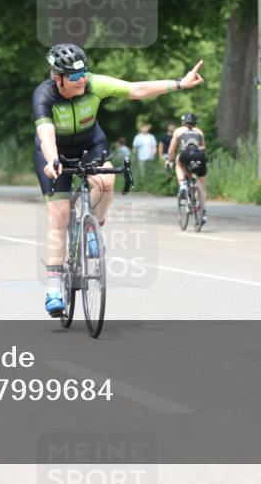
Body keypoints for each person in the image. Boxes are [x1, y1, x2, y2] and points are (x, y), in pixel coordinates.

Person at [34, 43, 204, 316]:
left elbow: (136, 89)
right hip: (54, 151)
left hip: (90, 144)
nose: (81, 80)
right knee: (59, 216)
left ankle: (93, 227)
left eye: (83, 74)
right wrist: (53, 160)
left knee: (105, 181)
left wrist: (179, 84)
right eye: (74, 77)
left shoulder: (93, 84)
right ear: (58, 78)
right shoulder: (44, 95)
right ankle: (54, 287)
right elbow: (45, 134)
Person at [166, 112, 208, 225]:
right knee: (202, 185)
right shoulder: (199, 132)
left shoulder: (178, 131)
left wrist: (169, 160)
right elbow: (204, 148)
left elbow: (171, 150)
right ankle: (203, 213)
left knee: (178, 164)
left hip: (186, 154)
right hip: (200, 155)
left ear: (183, 121)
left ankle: (183, 184)